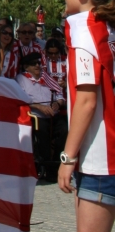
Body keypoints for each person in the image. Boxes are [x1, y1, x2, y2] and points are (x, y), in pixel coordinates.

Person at [59, 0, 115, 232]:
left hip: (99, 160)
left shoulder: (84, 30)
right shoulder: (108, 26)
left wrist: (67, 156)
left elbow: (86, 101)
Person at [17, 51, 66, 182]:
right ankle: (45, 166)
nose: (37, 66)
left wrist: (57, 103)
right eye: (33, 64)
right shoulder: (22, 79)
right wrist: (40, 107)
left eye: (39, 63)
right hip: (36, 115)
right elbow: (22, 99)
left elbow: (60, 96)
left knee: (64, 129)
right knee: (42, 130)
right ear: (26, 67)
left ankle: (56, 164)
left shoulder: (47, 78)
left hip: (52, 113)